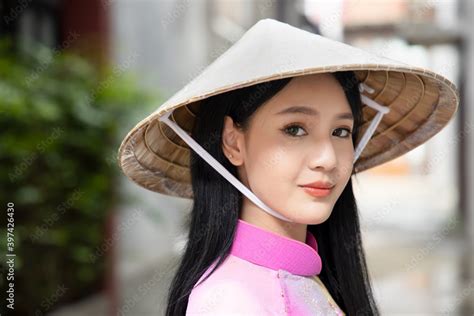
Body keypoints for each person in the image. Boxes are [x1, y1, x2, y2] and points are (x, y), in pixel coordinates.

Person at [117, 18, 459, 315]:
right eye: (295, 129)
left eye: (341, 131)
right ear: (233, 142)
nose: (327, 159)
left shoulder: (298, 272)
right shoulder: (231, 302)